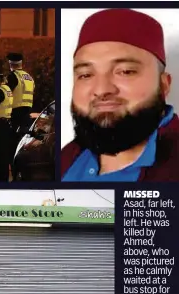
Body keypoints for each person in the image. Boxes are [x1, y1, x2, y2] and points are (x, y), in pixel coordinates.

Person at [61, 9, 179, 182]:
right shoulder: (65, 156)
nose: (101, 89)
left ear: (164, 85)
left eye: (125, 71)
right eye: (85, 75)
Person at [6, 53, 35, 177]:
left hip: (15, 114)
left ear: (10, 64)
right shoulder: (29, 77)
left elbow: (7, 94)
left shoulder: (13, 76)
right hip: (27, 115)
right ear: (21, 64)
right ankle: (24, 174)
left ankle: (15, 173)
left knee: (13, 146)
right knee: (24, 145)